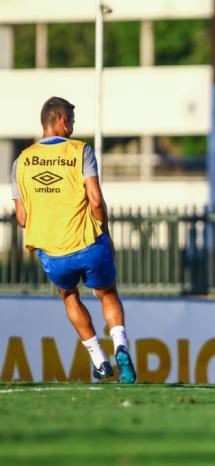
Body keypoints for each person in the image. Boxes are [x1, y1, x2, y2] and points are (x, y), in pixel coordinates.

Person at [11, 97, 136, 384]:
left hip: (53, 252)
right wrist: (104, 232)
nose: (73, 127)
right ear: (62, 120)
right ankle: (120, 347)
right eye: (72, 121)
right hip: (89, 244)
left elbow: (21, 218)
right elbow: (95, 200)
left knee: (69, 295)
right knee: (108, 294)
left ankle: (98, 359)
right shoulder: (81, 151)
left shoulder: (21, 162)